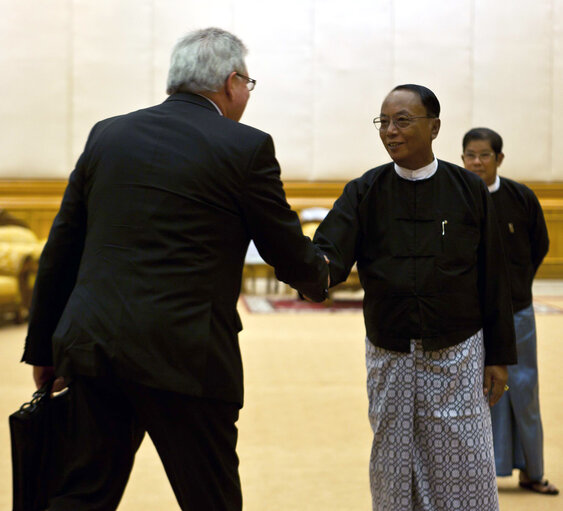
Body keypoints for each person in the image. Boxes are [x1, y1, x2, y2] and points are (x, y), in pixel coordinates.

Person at [21, 27, 328, 511]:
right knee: (211, 499)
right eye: (249, 82)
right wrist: (321, 275)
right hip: (188, 355)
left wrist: (44, 346)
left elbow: (63, 245)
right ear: (231, 83)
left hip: (95, 346)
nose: (248, 92)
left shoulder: (108, 134)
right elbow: (285, 250)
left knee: (81, 494)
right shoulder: (246, 147)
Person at [313, 84, 517, 511]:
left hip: (458, 353)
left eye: (402, 121)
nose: (390, 131)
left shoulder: (468, 189)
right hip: (390, 353)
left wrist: (498, 355)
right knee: (393, 463)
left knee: (465, 461)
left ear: (434, 126)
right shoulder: (364, 191)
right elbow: (329, 253)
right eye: (383, 122)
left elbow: (494, 276)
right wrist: (310, 270)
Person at [462, 127, 559, 496]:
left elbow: (540, 245)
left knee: (522, 389)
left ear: (499, 159)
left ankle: (533, 472)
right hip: (469, 316)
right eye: (469, 155)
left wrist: (516, 286)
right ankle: (477, 475)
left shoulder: (521, 197)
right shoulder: (457, 197)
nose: (476, 162)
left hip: (516, 311)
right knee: (472, 394)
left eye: (484, 155)